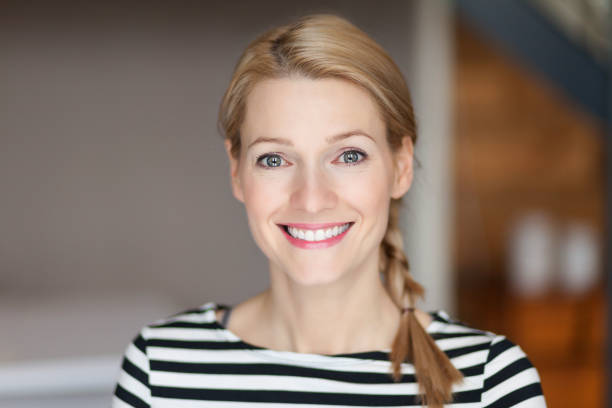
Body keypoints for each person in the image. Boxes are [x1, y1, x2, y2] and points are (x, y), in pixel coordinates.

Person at [112, 14, 547, 408]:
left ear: (400, 166)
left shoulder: (492, 382)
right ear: (236, 171)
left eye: (349, 155)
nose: (312, 197)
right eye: (274, 159)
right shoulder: (161, 368)